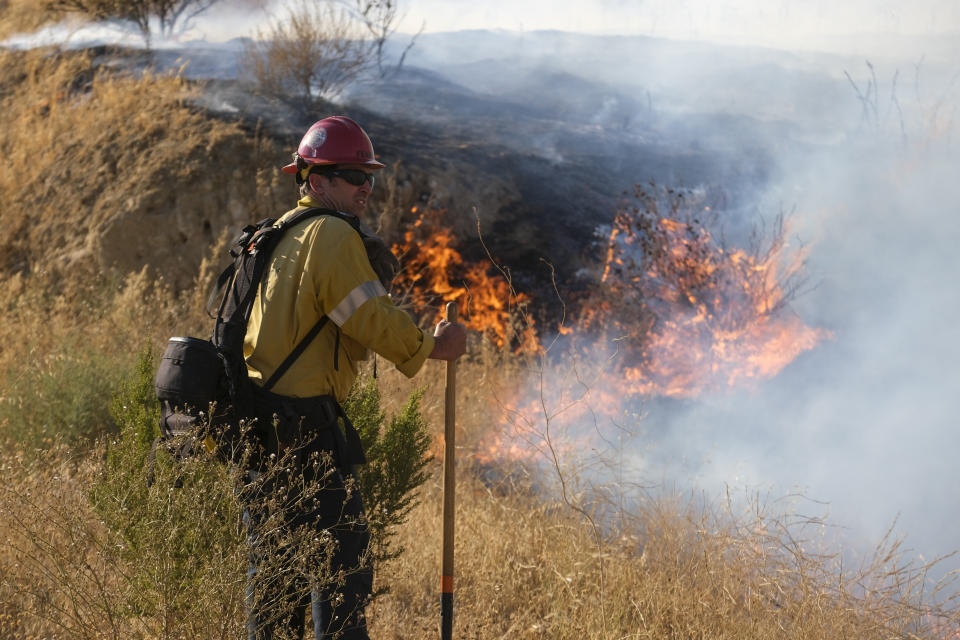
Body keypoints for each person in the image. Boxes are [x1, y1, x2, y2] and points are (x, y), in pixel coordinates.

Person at [240, 115, 466, 640]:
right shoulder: (332, 235)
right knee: (341, 571)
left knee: (275, 580)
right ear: (316, 180)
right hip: (305, 436)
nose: (367, 188)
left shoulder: (279, 233)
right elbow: (370, 317)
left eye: (370, 177)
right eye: (353, 176)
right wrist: (434, 347)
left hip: (257, 433)